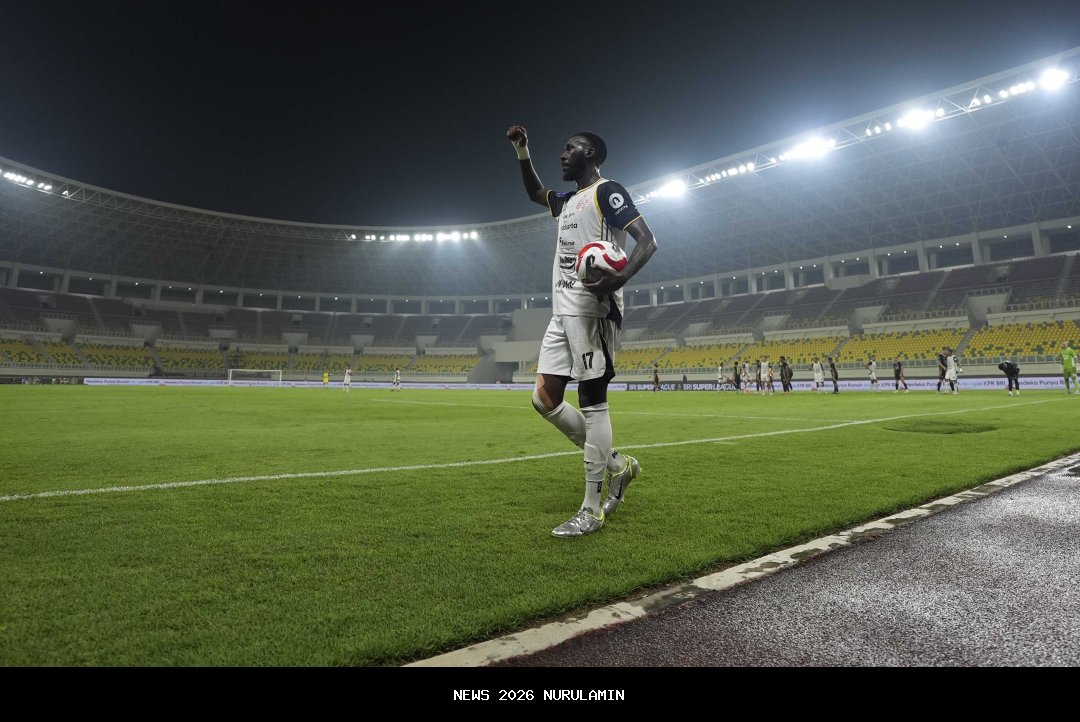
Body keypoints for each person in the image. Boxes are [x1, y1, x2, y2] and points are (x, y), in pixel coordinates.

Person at [507, 124, 658, 537]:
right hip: (562, 309)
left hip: (594, 308)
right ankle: (617, 465)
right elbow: (536, 194)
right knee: (543, 398)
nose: (562, 154)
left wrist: (618, 280)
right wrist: (523, 152)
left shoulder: (607, 191)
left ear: (590, 154)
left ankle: (591, 508)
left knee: (592, 400)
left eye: (570, 148)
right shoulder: (570, 199)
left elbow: (647, 241)